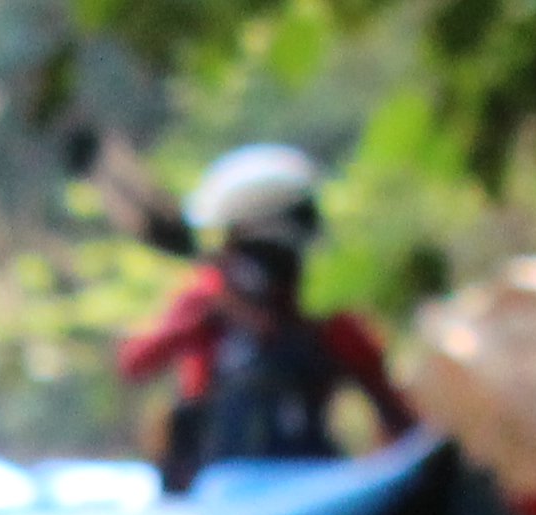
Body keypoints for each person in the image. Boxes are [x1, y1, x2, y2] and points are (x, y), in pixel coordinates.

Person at [112, 145, 410, 490]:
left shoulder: (321, 316)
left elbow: (390, 405)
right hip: (212, 488)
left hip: (307, 481)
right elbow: (134, 363)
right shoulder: (207, 300)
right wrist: (208, 313)